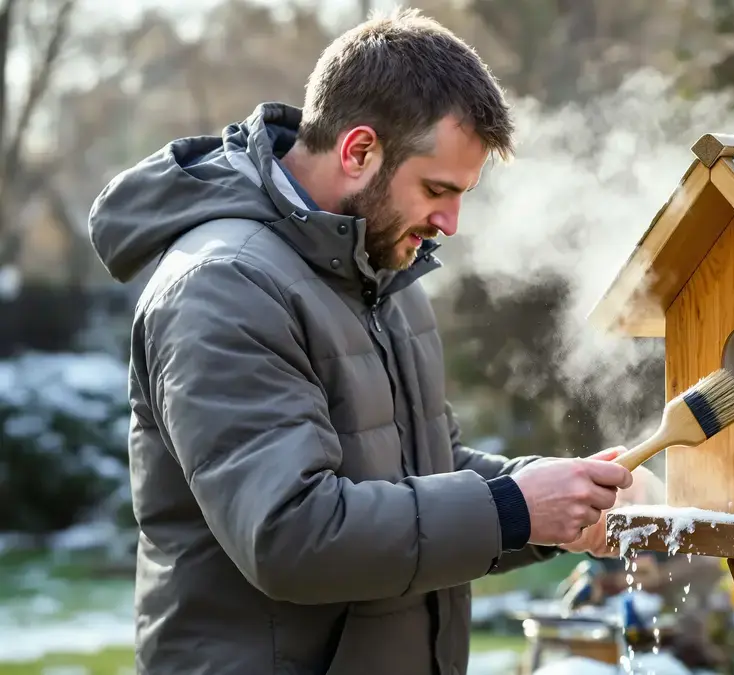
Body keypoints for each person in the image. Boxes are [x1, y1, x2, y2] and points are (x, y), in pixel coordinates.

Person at [86, 8, 640, 675]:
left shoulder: (385, 272)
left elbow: (426, 469)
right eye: (437, 190)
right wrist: (515, 508)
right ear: (358, 151)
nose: (450, 223)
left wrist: (557, 499)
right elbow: (292, 534)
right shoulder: (222, 286)